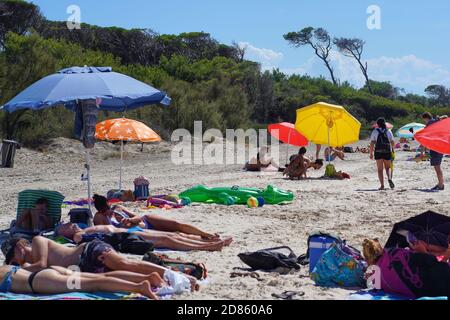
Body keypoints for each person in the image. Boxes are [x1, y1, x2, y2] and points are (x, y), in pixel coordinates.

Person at [2, 237, 198, 291]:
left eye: (12, 259)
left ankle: (181, 276)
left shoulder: (37, 241)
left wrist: (20, 268)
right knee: (117, 273)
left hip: (88, 251)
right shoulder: (30, 260)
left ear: (19, 246)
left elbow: (42, 264)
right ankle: (157, 279)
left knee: (127, 263)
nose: (15, 263)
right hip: (84, 265)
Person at [0, 264, 162, 299]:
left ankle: (139, 287)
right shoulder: (4, 267)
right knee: (99, 278)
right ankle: (145, 278)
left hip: (39, 282)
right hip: (46, 272)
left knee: (94, 285)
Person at [56, 222, 231, 252]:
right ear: (66, 233)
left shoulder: (85, 229)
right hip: (123, 238)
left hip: (127, 232)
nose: (72, 224)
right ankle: (209, 246)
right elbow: (78, 239)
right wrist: (75, 233)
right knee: (168, 241)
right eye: (68, 226)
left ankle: (210, 241)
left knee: (171, 235)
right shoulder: (79, 235)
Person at [370, 118, 396, 190]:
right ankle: (389, 178)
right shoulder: (388, 131)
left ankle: (382, 185)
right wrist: (393, 150)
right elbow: (392, 142)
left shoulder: (375, 131)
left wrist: (371, 153)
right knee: (388, 167)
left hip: (378, 151)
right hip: (387, 151)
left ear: (377, 124)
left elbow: (372, 143)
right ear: (384, 123)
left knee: (380, 169)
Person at [421, 112, 445, 191]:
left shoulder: (429, 124)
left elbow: (424, 137)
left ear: (426, 118)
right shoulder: (438, 122)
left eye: (424, 120)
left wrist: (422, 151)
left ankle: (441, 185)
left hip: (435, 148)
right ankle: (440, 183)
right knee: (438, 166)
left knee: (437, 167)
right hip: (441, 147)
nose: (425, 122)